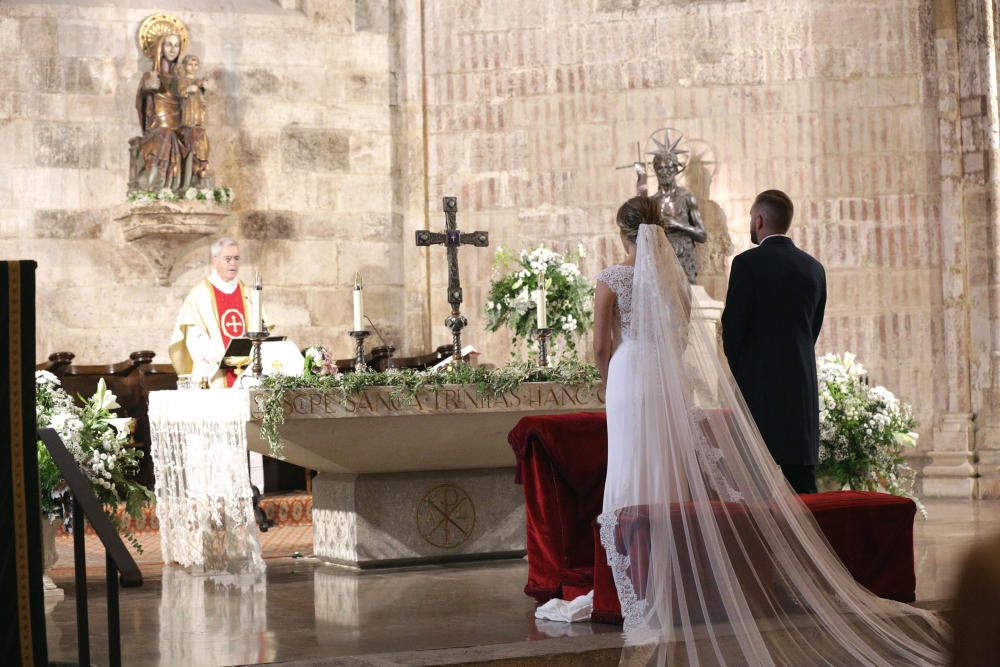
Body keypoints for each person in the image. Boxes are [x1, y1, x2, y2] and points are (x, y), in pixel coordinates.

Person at [592, 195, 948, 665]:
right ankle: (769, 579)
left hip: (668, 378)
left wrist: (612, 376)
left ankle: (644, 577)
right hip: (757, 384)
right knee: (759, 478)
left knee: (638, 463)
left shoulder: (624, 276)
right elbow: (699, 336)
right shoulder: (805, 268)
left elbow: (611, 343)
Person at [721, 190, 826, 494]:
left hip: (758, 388)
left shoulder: (746, 264)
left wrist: (742, 374)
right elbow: (812, 329)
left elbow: (733, 330)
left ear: (759, 219)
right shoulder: (814, 268)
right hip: (800, 385)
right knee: (802, 479)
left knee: (754, 480)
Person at [169, 238, 254, 388]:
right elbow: (195, 337)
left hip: (247, 372)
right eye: (227, 259)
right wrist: (222, 356)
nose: (233, 263)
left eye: (236, 258)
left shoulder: (248, 293)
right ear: (215, 260)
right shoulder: (199, 295)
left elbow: (259, 328)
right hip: (214, 373)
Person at [133, 32, 186, 192]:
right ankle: (158, 184)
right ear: (160, 48)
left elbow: (187, 104)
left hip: (179, 127)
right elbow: (140, 103)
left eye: (176, 45)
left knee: (196, 137)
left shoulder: (181, 78)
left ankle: (183, 186)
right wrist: (145, 89)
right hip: (157, 127)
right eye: (168, 44)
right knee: (165, 134)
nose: (172, 49)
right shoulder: (151, 75)